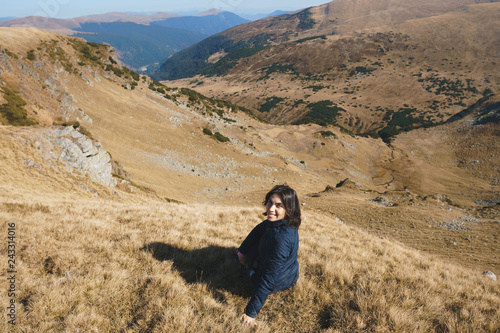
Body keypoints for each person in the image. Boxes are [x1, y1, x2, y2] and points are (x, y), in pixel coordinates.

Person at [237, 184, 301, 326]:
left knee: (256, 258)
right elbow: (259, 229)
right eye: (270, 203)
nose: (271, 209)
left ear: (289, 209)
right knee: (257, 240)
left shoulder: (281, 240)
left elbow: (269, 278)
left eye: (279, 205)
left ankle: (251, 269)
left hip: (278, 281)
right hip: (290, 272)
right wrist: (242, 251)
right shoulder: (284, 222)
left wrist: (250, 312)